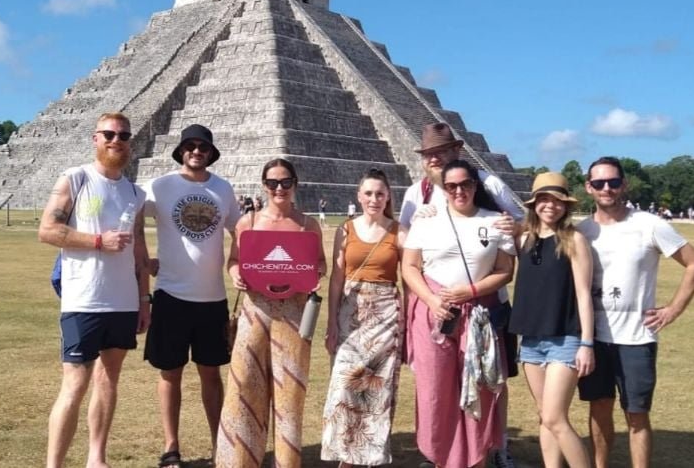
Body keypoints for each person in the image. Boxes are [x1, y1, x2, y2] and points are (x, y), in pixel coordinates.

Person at [398, 123, 521, 468]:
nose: (457, 190)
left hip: (482, 311)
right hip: (435, 311)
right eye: (429, 154)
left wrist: (469, 291)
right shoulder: (419, 199)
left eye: (465, 184)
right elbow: (409, 262)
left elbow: (511, 255)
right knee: (436, 390)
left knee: (484, 384)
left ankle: (486, 453)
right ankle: (441, 455)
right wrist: (433, 300)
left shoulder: (493, 201)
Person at [576, 157, 694, 468]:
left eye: (613, 182)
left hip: (636, 337)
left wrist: (674, 309)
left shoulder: (649, 224)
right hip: (594, 339)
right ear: (588, 188)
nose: (606, 188)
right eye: (598, 183)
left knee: (636, 415)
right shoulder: (582, 231)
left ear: (625, 184)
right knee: (599, 409)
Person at [38, 112, 151, 468]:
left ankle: (96, 458)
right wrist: (99, 241)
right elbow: (47, 230)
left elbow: (139, 249)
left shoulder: (135, 192)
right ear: (95, 138)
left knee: (108, 380)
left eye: (123, 135)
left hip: (122, 301)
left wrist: (144, 298)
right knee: (74, 384)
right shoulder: (75, 178)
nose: (116, 140)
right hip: (84, 298)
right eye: (108, 134)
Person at [216, 158, 326, 468]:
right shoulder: (248, 223)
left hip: (293, 314)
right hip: (254, 312)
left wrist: (315, 274)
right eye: (273, 183)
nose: (279, 188)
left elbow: (319, 263)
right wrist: (235, 273)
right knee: (243, 388)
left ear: (295, 184)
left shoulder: (308, 224)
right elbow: (234, 260)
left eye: (285, 182)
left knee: (289, 397)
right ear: (264, 186)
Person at [141, 124, 240, 468]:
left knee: (212, 374)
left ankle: (220, 446)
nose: (196, 151)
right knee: (170, 373)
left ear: (211, 153)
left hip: (212, 298)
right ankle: (171, 447)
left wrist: (237, 265)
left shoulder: (223, 189)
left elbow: (242, 233)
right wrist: (141, 260)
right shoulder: (159, 186)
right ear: (181, 151)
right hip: (170, 295)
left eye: (202, 147)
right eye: (190, 146)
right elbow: (125, 215)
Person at [508, 172, 595, 468]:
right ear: (534, 204)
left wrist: (586, 343)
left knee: (556, 418)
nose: (550, 206)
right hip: (531, 339)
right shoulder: (523, 239)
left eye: (557, 200)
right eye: (544, 199)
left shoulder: (574, 239)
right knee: (544, 415)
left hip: (565, 337)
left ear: (565, 205)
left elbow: (584, 294)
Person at [321, 169, 406, 466]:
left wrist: (405, 328)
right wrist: (331, 322)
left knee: (376, 390)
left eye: (380, 193)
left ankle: (368, 457)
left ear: (388, 197)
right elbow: (336, 278)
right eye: (368, 193)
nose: (374, 199)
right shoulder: (345, 230)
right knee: (345, 386)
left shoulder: (399, 231)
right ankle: (346, 455)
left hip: (385, 315)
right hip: (351, 315)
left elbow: (407, 281)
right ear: (358, 196)